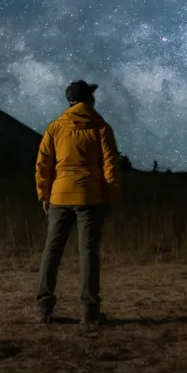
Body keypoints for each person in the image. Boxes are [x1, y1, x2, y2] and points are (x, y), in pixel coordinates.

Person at [34, 80, 121, 325]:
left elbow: (43, 164)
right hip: (90, 198)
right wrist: (110, 198)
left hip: (60, 195)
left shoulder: (55, 127)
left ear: (70, 101)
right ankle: (90, 311)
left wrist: (44, 194)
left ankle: (43, 308)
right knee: (89, 252)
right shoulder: (101, 128)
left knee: (52, 250)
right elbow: (110, 168)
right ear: (88, 99)